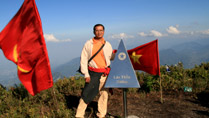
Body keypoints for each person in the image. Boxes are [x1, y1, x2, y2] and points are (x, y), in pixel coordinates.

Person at [75, 24, 113, 118]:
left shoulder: (107, 44)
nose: (99, 32)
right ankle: (79, 115)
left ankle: (101, 114)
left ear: (104, 31)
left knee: (104, 94)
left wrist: (121, 55)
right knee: (86, 94)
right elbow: (83, 59)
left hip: (105, 73)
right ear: (94, 32)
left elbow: (110, 57)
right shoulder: (88, 44)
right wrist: (86, 74)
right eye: (97, 30)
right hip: (93, 73)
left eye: (101, 30)